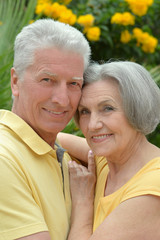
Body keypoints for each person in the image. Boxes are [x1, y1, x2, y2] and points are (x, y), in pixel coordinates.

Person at [0, 18, 91, 240]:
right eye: (47, 79)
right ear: (15, 81)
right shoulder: (4, 158)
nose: (62, 100)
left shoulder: (59, 152)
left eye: (73, 84)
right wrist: (83, 204)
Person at [58, 61, 160, 240]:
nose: (92, 125)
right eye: (84, 112)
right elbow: (52, 137)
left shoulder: (152, 187)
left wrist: (83, 201)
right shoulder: (108, 159)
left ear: (137, 109)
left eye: (107, 108)